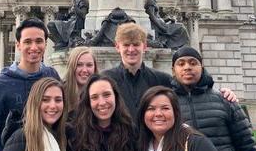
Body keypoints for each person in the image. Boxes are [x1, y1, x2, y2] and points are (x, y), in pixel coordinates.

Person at [102, 22, 238, 120]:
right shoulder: (105, 79)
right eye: (126, 45)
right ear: (117, 47)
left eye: (136, 44)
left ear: (145, 46)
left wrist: (222, 93)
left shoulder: (162, 79)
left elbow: (190, 89)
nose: (131, 50)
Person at [0, 18, 61, 151]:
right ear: (18, 45)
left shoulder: (51, 75)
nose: (34, 47)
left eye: (39, 41)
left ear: (46, 44)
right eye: (28, 42)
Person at [171, 47, 256, 151]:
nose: (187, 67)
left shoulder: (225, 100)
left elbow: (247, 147)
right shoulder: (167, 105)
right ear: (173, 70)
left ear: (202, 67)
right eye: (181, 63)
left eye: (193, 63)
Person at [137, 86, 226, 151]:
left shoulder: (196, 144)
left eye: (165, 108)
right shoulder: (140, 150)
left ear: (175, 113)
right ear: (143, 114)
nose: (158, 114)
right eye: (151, 109)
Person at [68, 74, 139, 151]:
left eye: (106, 95)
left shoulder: (131, 132)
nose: (102, 102)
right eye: (94, 97)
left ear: (115, 96)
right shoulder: (74, 135)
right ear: (88, 102)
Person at [2, 78, 70, 151]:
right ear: (35, 103)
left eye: (58, 100)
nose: (53, 105)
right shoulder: (19, 140)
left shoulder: (62, 138)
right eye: (45, 100)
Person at [63, 46, 98, 112]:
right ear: (71, 67)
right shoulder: (60, 93)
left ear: (95, 67)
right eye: (79, 65)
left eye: (89, 65)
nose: (84, 70)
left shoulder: (100, 93)